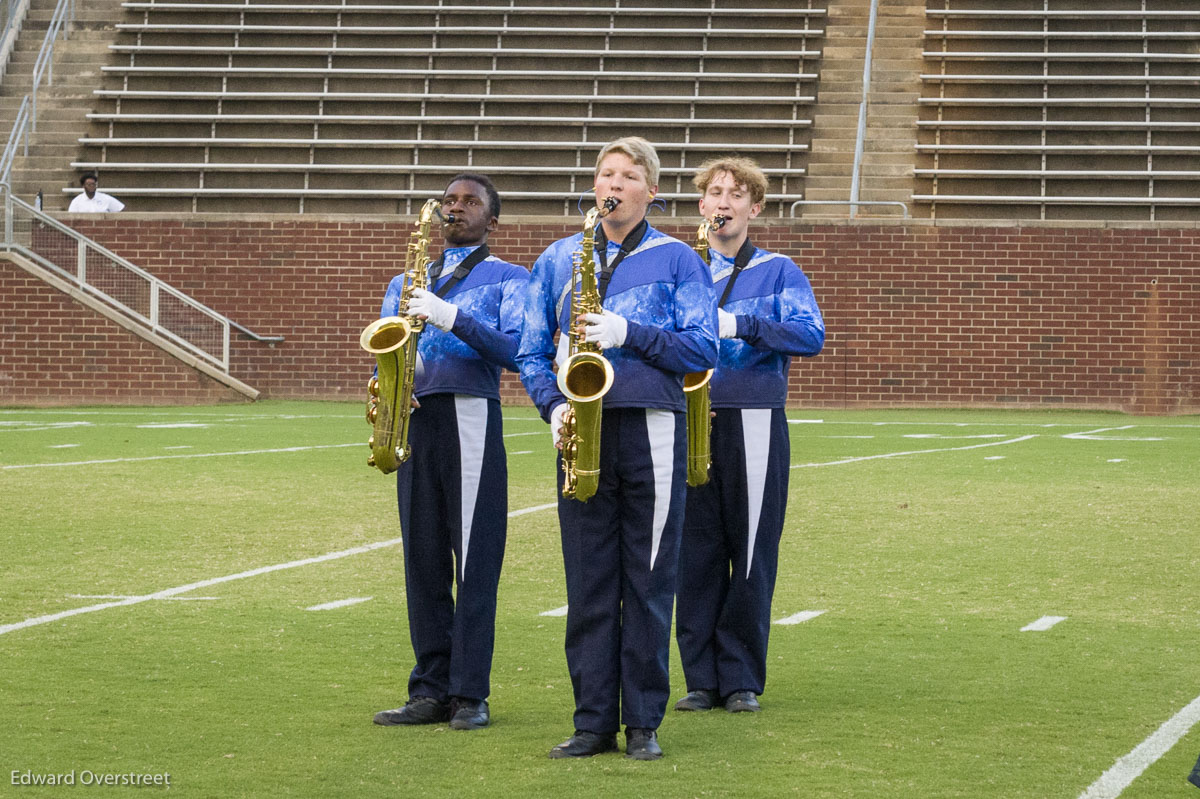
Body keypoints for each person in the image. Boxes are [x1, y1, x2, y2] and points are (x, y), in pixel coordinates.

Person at [517, 136, 719, 760]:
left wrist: (629, 331)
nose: (614, 184)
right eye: (606, 173)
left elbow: (703, 349)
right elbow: (528, 348)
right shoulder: (558, 259)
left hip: (653, 429)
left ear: (650, 192)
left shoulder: (680, 260)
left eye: (629, 176)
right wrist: (551, 407)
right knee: (589, 581)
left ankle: (644, 725)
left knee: (651, 580)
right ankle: (593, 721)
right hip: (581, 429)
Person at [372, 173, 528, 732]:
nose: (455, 209)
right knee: (424, 561)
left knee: (475, 558)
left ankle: (469, 693)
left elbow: (515, 349)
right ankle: (429, 689)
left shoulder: (512, 276)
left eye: (470, 202)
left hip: (470, 414)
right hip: (415, 420)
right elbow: (384, 346)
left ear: (493, 219)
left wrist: (450, 315)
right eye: (450, 201)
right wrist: (390, 379)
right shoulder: (406, 279)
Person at [673, 156, 825, 715]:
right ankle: (700, 678)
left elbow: (812, 335)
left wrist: (742, 324)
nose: (724, 202)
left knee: (752, 548)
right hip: (691, 419)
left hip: (754, 419)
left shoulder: (780, 270)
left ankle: (739, 678)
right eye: (716, 192)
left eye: (737, 194)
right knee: (696, 552)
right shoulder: (680, 266)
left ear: (754, 208)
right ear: (701, 205)